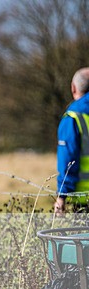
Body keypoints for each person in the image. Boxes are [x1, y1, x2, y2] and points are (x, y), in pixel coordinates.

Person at [55, 67, 89, 215]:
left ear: (73, 88)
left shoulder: (73, 117)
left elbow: (68, 160)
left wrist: (61, 195)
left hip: (83, 198)